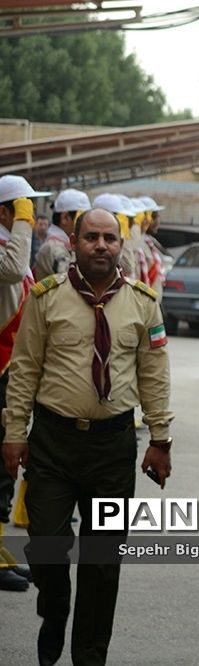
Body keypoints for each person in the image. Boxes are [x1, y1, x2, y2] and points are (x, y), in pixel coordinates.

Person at [2, 207, 173, 665]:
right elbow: (24, 371)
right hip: (54, 442)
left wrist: (161, 437)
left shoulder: (143, 302)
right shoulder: (45, 298)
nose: (101, 245)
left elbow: (154, 374)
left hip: (113, 446)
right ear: (74, 242)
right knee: (47, 547)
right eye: (92, 237)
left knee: (102, 562)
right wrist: (14, 433)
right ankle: (55, 609)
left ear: (120, 245)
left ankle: (90, 655)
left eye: (109, 239)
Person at [0, 176, 51, 594]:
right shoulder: (7, 249)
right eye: (24, 208)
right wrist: (19, 223)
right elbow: (16, 269)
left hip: (11, 372)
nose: (32, 217)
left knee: (3, 471)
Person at [35, 188, 89, 280]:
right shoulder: (53, 247)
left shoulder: (65, 243)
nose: (88, 223)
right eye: (83, 217)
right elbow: (74, 280)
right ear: (65, 218)